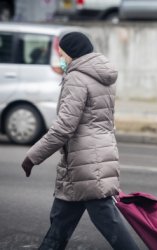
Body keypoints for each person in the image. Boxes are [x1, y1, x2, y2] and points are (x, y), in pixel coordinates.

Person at [21, 32, 139, 250]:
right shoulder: (100, 74)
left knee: (109, 223)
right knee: (60, 222)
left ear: (72, 53)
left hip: (86, 164)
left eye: (61, 54)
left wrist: (32, 156)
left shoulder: (77, 77)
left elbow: (64, 126)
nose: (60, 59)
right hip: (90, 158)